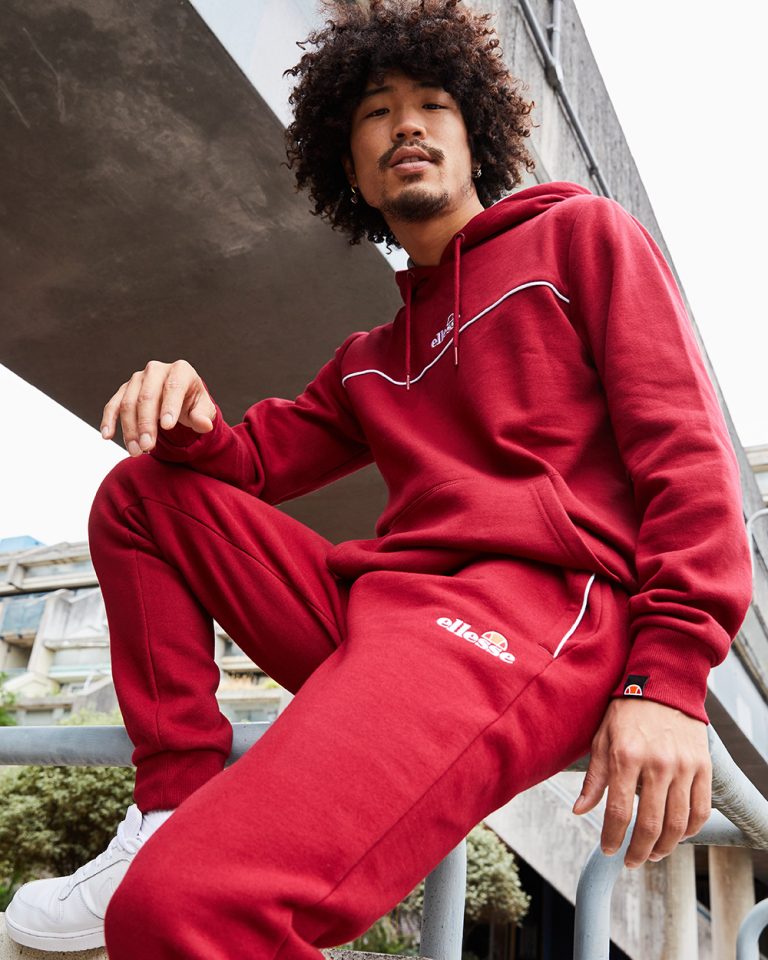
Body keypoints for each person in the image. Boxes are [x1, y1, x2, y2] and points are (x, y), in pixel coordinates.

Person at [5, 0, 752, 956]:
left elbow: (686, 458)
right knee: (144, 495)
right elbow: (251, 463)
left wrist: (668, 678)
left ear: (475, 140)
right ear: (349, 169)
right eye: (375, 113)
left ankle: (177, 871)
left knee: (183, 909)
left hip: (533, 618)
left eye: (434, 104)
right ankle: (169, 806)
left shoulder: (580, 239)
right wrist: (193, 419)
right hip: (386, 611)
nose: (407, 124)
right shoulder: (371, 357)